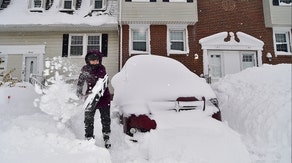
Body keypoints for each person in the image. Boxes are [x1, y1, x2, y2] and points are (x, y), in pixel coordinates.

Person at [76, 50, 111, 149]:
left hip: (103, 97)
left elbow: (102, 82)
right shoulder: (85, 69)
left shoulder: (101, 68)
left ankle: (106, 135)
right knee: (88, 119)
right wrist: (79, 91)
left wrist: (94, 93)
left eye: (97, 60)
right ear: (88, 60)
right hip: (90, 97)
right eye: (92, 60)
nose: (95, 62)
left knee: (105, 118)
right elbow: (80, 81)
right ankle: (89, 137)